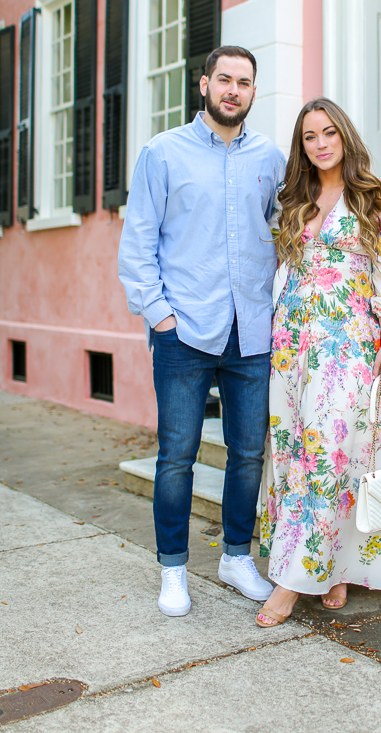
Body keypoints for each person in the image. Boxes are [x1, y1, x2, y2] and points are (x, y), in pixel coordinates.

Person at [118, 45, 285, 616]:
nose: (233, 90)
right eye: (224, 80)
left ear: (253, 92)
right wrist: (161, 318)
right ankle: (173, 569)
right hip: (184, 329)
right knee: (177, 456)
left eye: (244, 82)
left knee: (246, 453)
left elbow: (290, 227)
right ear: (203, 85)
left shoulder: (271, 158)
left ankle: (237, 556)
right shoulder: (162, 154)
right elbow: (137, 245)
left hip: (252, 331)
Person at [256, 98, 381, 628]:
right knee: (294, 452)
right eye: (310, 136)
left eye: (329, 132)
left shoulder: (376, 196)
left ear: (345, 136)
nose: (321, 143)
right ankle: (332, 567)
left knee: (330, 455)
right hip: (291, 342)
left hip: (346, 340)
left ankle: (288, 584)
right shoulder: (293, 197)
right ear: (301, 146)